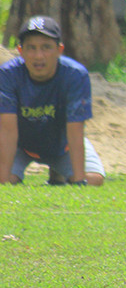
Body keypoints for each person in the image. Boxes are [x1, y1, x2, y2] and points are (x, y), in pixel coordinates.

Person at [0, 15, 105, 186]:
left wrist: (79, 181)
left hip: (64, 145)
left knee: (93, 181)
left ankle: (59, 174)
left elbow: (76, 128)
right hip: (21, 144)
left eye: (46, 47)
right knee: (6, 179)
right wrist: (3, 182)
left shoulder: (75, 75)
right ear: (20, 51)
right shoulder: (7, 75)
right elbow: (7, 131)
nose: (38, 56)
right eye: (31, 48)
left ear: (59, 50)